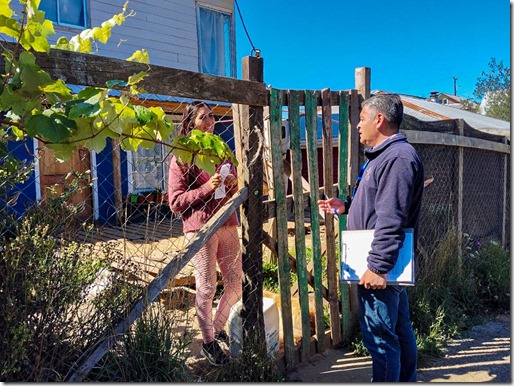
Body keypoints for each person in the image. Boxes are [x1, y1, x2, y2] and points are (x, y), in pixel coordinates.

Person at [318, 93, 424, 382]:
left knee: (381, 339)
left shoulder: (397, 159)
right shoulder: (386, 157)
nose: (357, 126)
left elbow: (392, 219)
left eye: (362, 118)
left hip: (382, 269)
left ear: (380, 119)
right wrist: (347, 207)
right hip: (385, 265)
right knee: (398, 330)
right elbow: (381, 207)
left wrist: (378, 267)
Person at [167, 101, 242, 366]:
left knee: (235, 283)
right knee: (207, 286)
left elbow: (231, 188)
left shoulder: (221, 150)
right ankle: (209, 342)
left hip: (228, 221)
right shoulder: (183, 155)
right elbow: (175, 202)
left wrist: (231, 185)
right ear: (190, 123)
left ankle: (218, 329)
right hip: (200, 227)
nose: (210, 121)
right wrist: (207, 188)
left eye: (211, 116)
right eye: (203, 117)